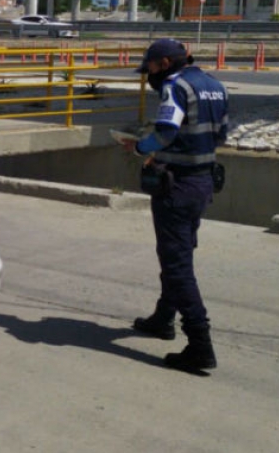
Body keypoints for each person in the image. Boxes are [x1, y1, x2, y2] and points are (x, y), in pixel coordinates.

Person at [120, 38, 228, 374]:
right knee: (178, 253)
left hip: (177, 185)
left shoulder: (175, 85)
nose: (148, 74)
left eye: (150, 67)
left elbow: (165, 131)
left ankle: (199, 344)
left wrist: (140, 148)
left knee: (178, 264)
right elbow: (221, 135)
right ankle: (163, 318)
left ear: (164, 63)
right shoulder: (214, 85)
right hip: (203, 180)